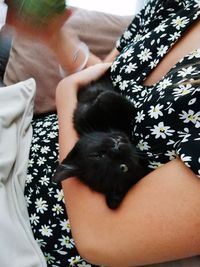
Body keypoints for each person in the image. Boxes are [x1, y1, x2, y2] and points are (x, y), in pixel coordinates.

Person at [6, 0, 200, 266]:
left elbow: (101, 239)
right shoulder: (179, 5)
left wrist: (66, 93)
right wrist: (56, 37)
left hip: (26, 228)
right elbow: (106, 78)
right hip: (19, 136)